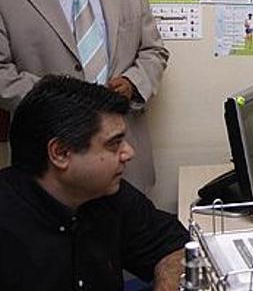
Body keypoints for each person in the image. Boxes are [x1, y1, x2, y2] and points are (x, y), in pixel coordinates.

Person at [0, 0, 168, 192]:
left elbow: (153, 52)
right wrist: (63, 103)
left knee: (131, 238)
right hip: (50, 162)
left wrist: (133, 82)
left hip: (125, 160)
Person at [0, 75, 188, 290]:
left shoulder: (105, 192)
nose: (129, 152)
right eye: (114, 144)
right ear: (60, 153)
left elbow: (175, 245)